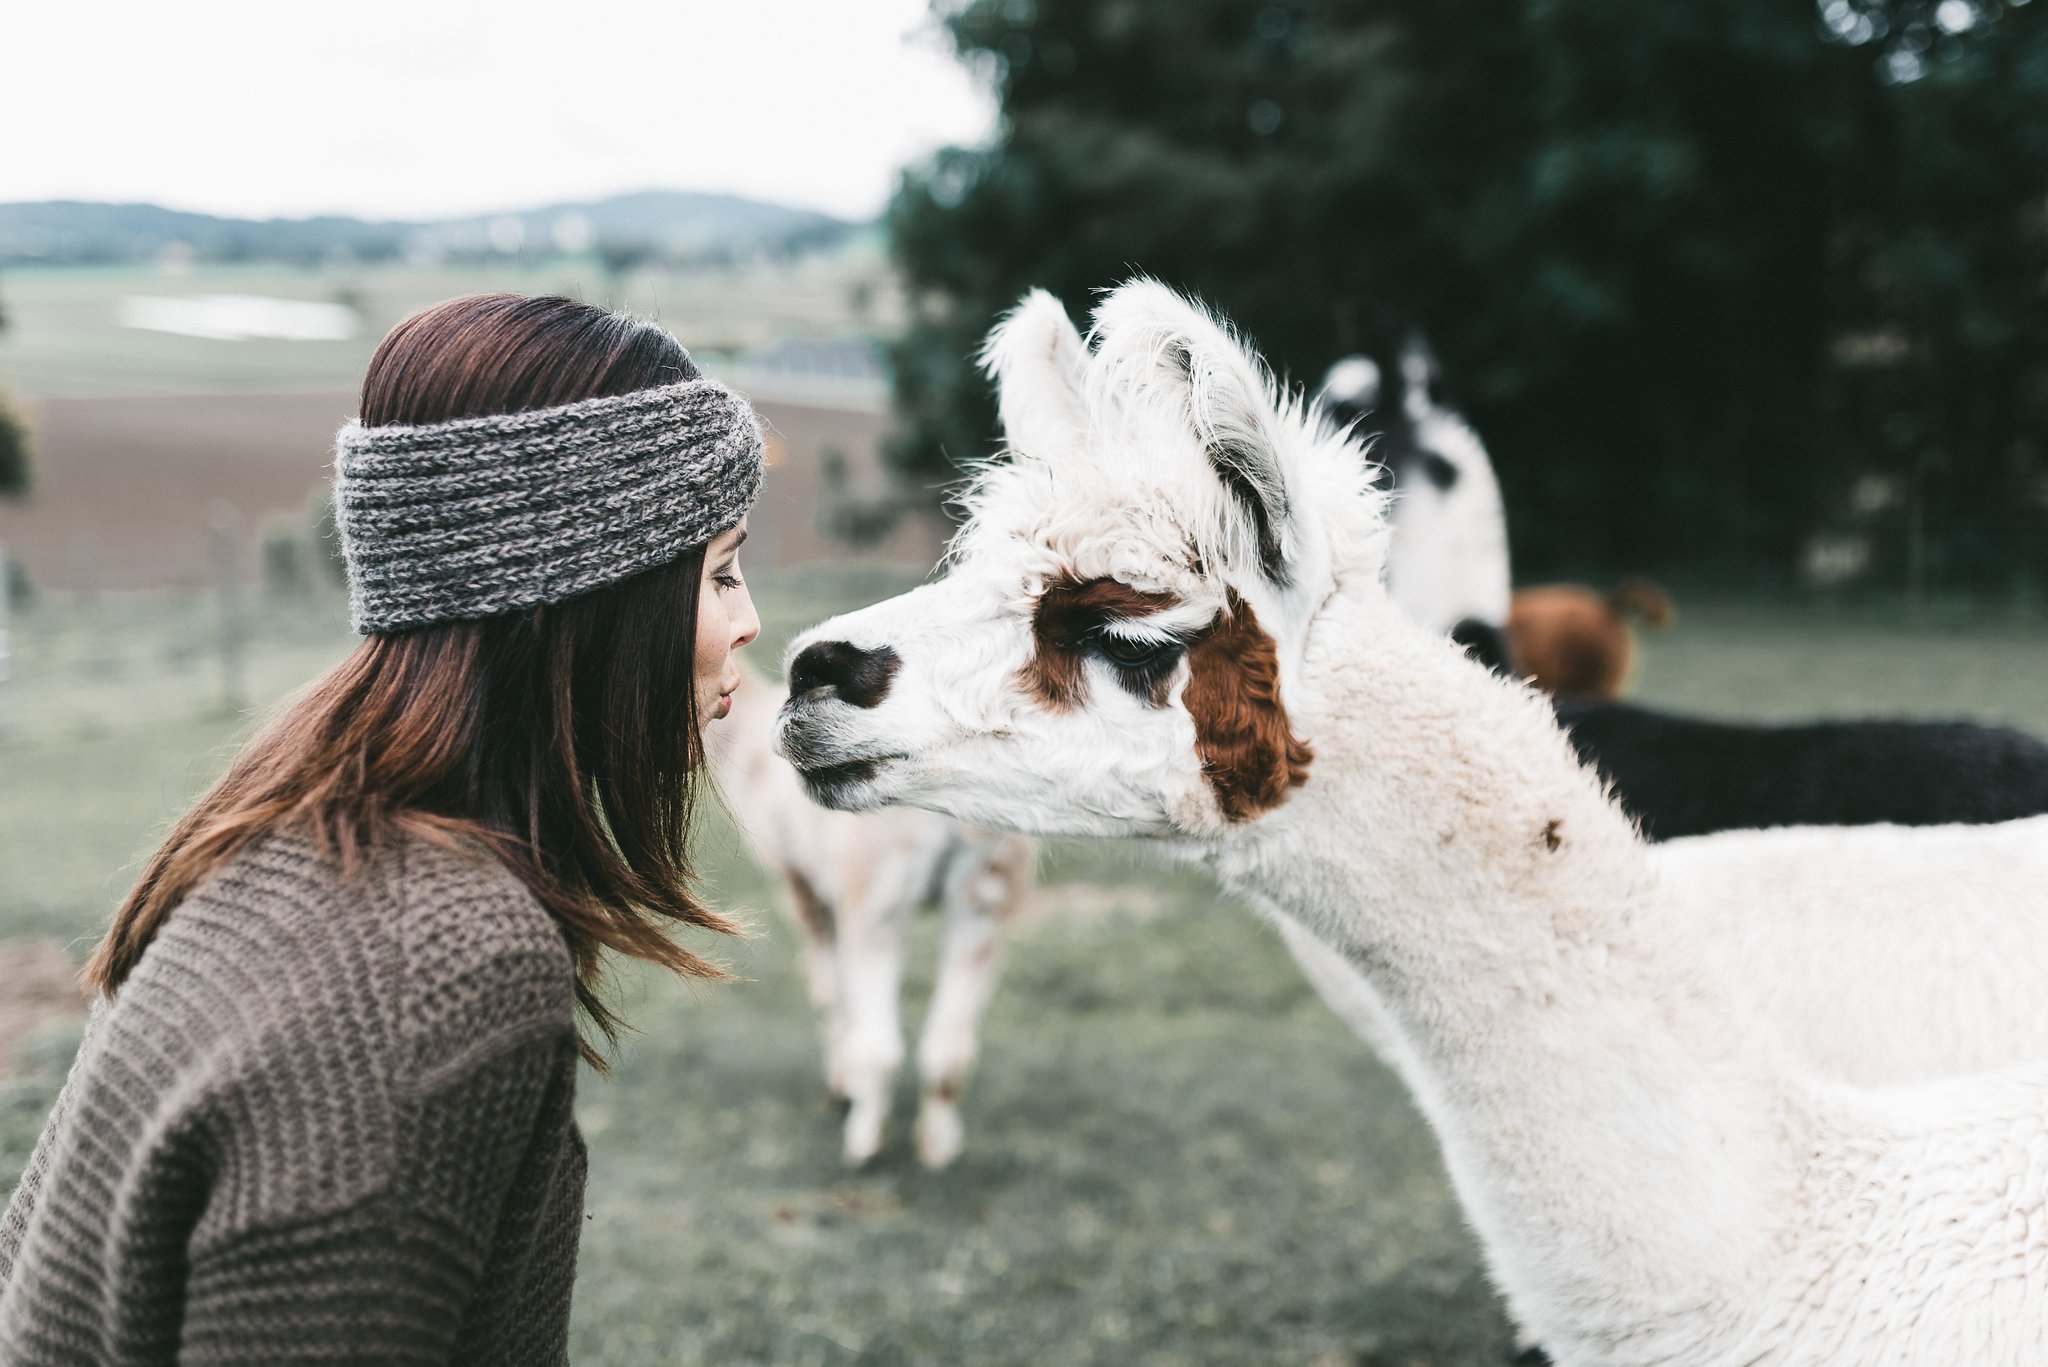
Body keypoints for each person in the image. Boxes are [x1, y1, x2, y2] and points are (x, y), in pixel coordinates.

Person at [0, 294, 763, 1364]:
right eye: (720, 569)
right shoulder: (440, 968)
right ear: (576, 587)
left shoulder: (281, 833)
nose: (746, 620)